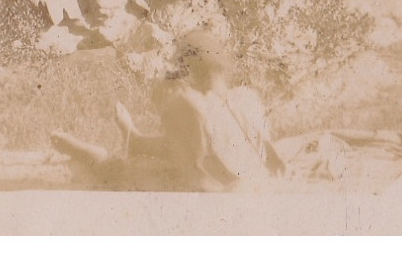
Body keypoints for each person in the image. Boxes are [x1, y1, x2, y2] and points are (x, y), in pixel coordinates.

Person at [50, 30, 287, 191]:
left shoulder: (188, 104)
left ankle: (101, 151)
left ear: (188, 66)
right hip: (249, 180)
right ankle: (133, 139)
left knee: (117, 169)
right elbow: (275, 160)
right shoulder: (246, 97)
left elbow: (195, 173)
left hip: (217, 186)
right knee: (188, 142)